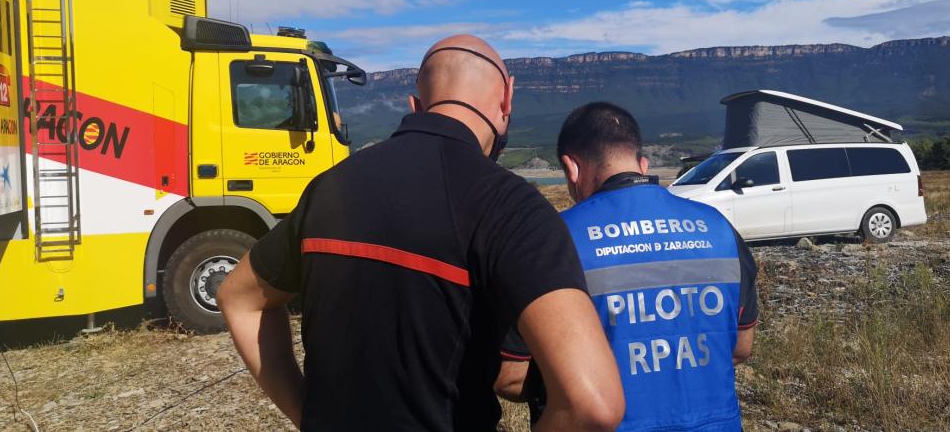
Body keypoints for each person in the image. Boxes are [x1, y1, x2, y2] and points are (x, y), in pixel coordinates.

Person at [216, 35, 624, 431]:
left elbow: (238, 297)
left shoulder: (329, 187)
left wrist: (305, 414)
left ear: (414, 105)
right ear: (506, 99)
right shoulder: (511, 206)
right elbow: (593, 405)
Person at [497, 102, 758, 431]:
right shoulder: (718, 228)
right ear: (642, 163)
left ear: (571, 168)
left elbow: (511, 376)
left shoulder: (552, 240)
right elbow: (740, 346)